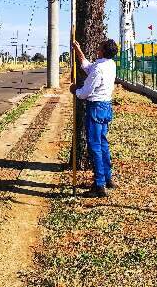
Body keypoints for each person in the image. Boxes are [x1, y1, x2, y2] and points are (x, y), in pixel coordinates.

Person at [70, 38, 118, 198]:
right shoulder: (110, 64)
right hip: (106, 107)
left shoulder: (99, 69)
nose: (97, 48)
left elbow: (86, 92)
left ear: (103, 51)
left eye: (100, 47)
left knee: (95, 146)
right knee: (103, 143)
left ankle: (99, 185)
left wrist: (74, 90)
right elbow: (88, 67)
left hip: (96, 108)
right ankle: (108, 178)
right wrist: (78, 50)